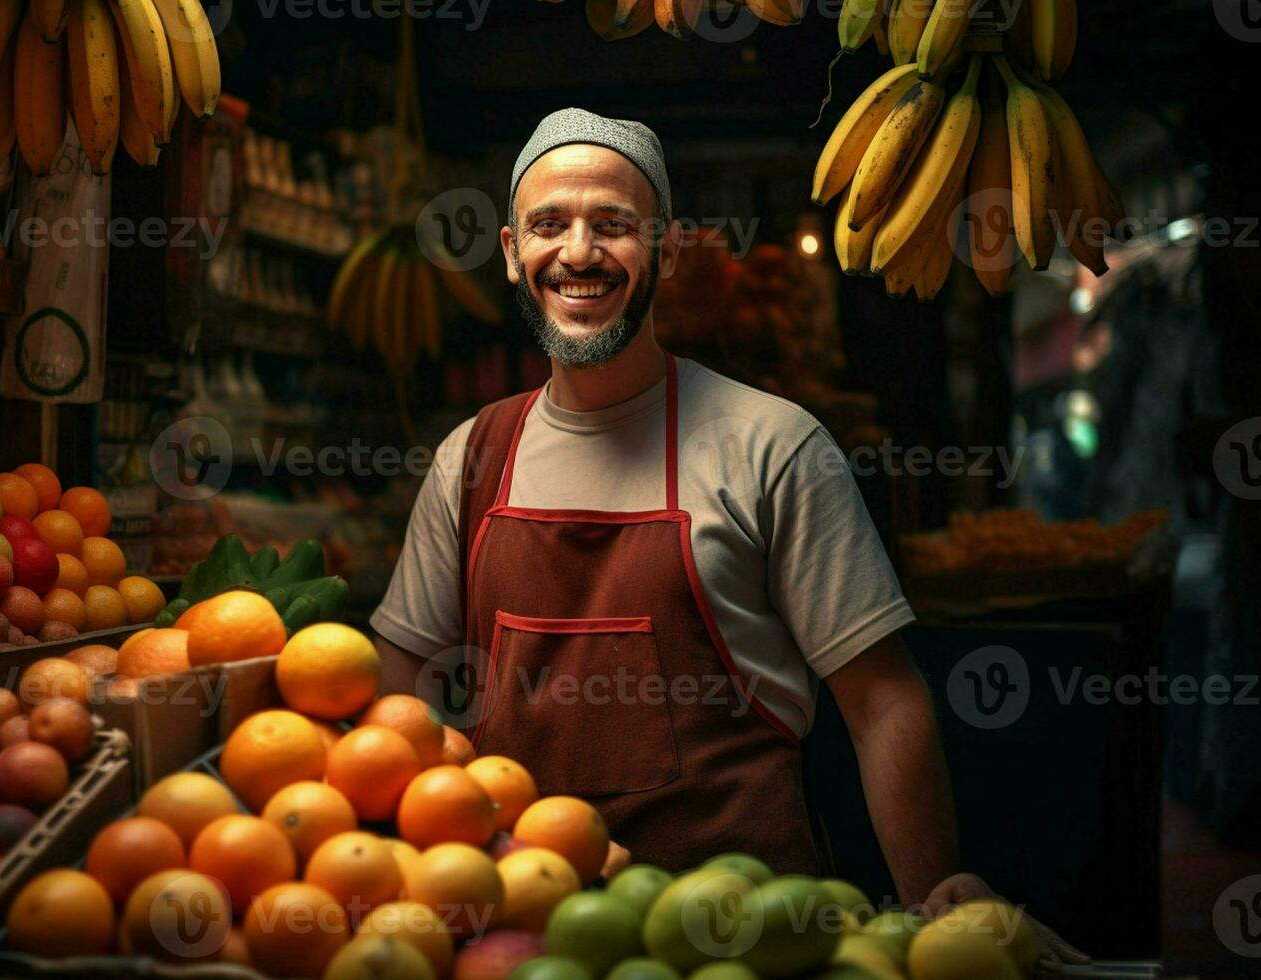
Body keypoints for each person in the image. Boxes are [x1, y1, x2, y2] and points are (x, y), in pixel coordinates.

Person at [372, 107, 1084, 969]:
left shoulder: (771, 445)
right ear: (513, 253)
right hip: (528, 942)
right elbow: (400, 696)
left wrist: (933, 903)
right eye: (549, 225)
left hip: (746, 939)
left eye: (615, 226)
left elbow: (884, 701)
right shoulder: (471, 458)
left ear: (668, 252)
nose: (580, 252)